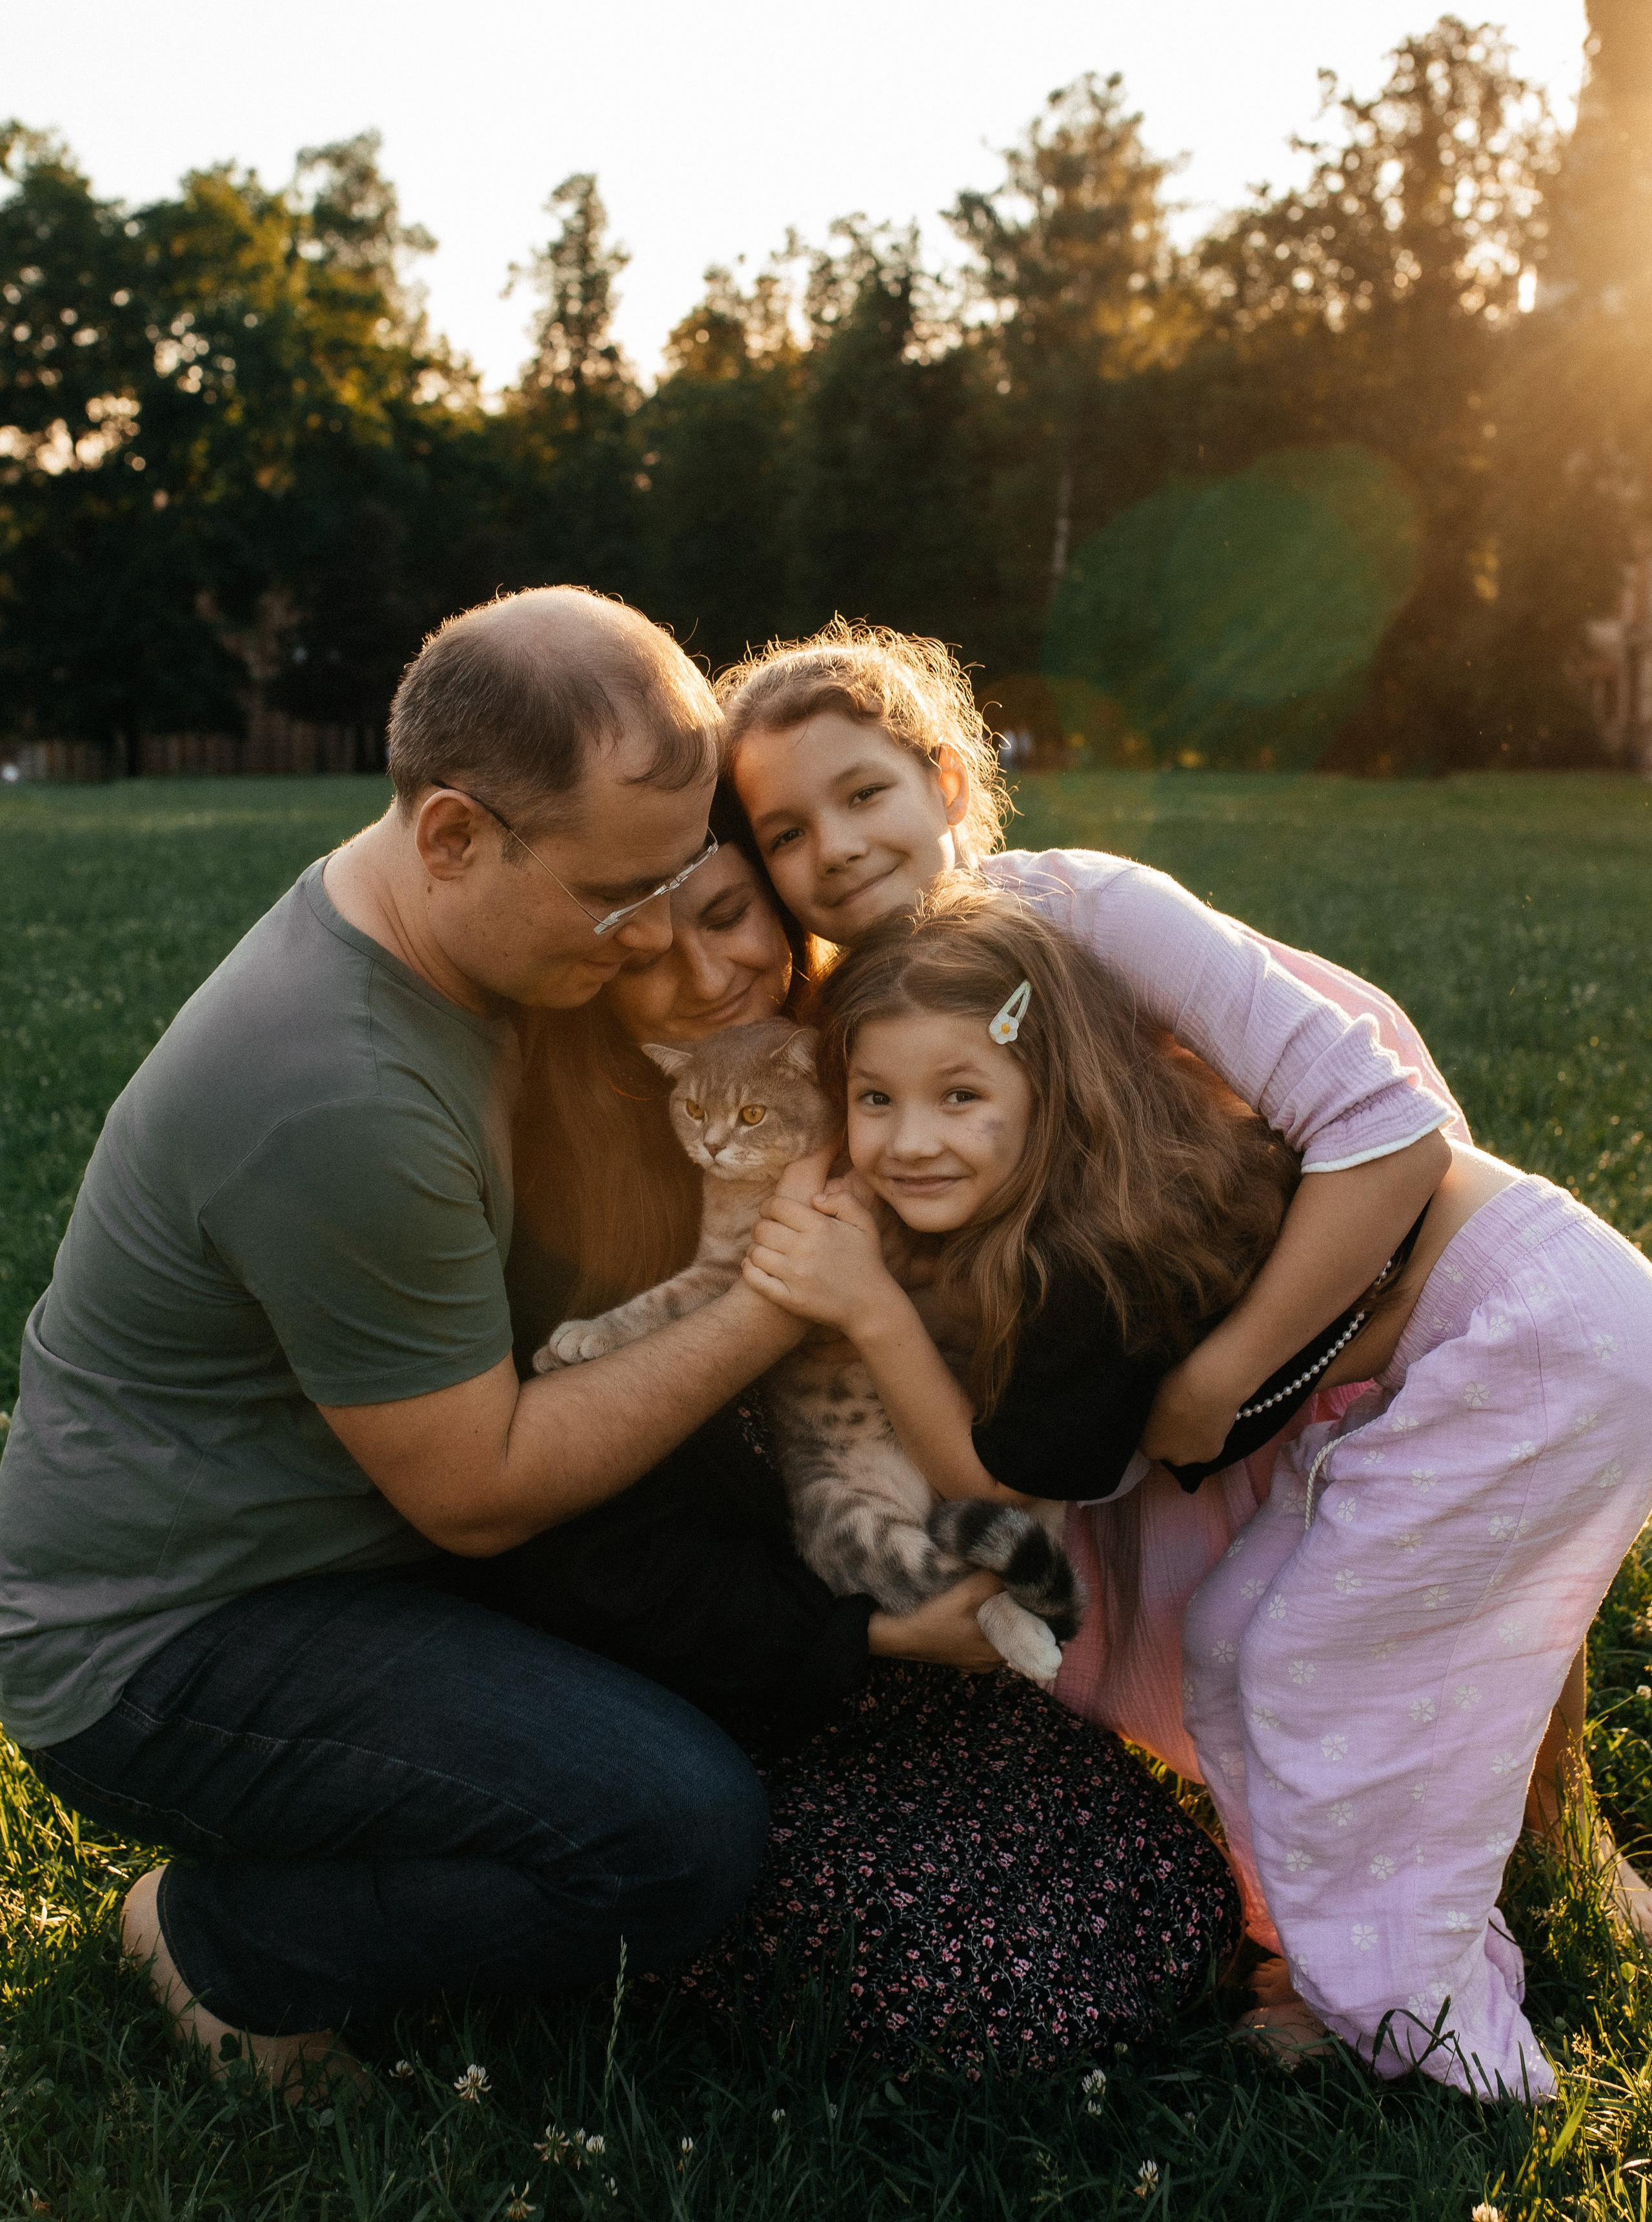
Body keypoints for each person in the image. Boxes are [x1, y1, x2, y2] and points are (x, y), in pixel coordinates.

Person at [723, 671, 1652, 2096]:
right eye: (783, 832)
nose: (833, 848)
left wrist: (1213, 1379)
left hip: (1491, 1325)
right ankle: (1326, 1952)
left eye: (863, 793)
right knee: (1238, 1637)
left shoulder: (1080, 918)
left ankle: (1424, 2028)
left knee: (1312, 1657)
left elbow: (1383, 1127)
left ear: (950, 788)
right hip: (1377, 1348)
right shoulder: (893, 1023)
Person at [0, 589, 834, 2095]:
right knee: (673, 1834)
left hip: (333, 1546)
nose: (654, 933)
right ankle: (222, 1941)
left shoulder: (473, 939)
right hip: (169, 1637)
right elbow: (483, 1488)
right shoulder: (341, 1095)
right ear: (451, 835)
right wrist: (775, 1295)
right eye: (615, 897)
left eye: (679, 881)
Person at [501, 789, 1245, 2070]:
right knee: (995, 1994)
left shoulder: (882, 1055)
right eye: (649, 943)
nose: (707, 969)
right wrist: (865, 1631)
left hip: (918, 1620)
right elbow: (579, 1562)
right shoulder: (577, 1163)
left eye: (731, 913)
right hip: (717, 1666)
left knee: (1164, 1914)